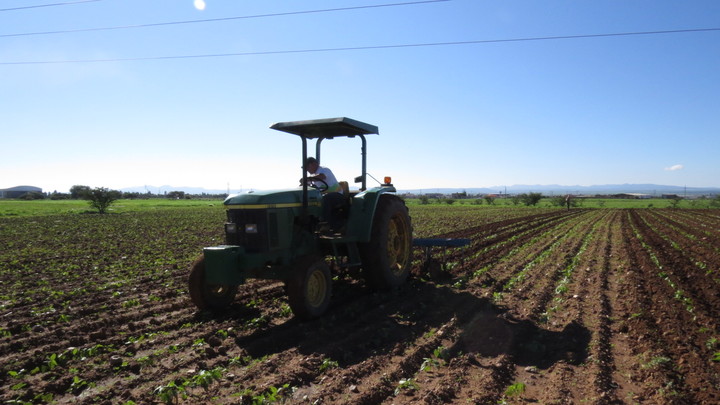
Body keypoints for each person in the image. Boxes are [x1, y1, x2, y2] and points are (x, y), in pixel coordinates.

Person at [303, 157, 345, 233]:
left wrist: (308, 179)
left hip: (338, 195)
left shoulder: (324, 170)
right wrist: (303, 183)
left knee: (325, 199)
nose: (307, 170)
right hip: (326, 196)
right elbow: (308, 183)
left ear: (314, 164)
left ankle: (328, 224)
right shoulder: (314, 176)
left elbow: (322, 176)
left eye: (307, 167)